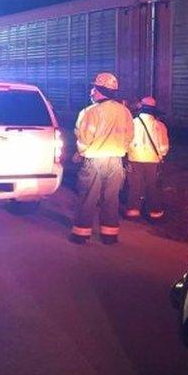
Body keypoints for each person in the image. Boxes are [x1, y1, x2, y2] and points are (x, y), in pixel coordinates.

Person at [70, 72, 134, 245]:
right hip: (116, 161)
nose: (91, 91)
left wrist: (81, 154)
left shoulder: (89, 112)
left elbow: (83, 139)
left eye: (93, 88)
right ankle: (109, 235)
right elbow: (129, 136)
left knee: (88, 197)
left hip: (94, 161)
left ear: (98, 90)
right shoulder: (124, 111)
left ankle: (81, 233)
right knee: (111, 198)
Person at [125, 96, 170, 221]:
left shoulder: (132, 123)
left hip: (135, 158)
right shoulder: (160, 125)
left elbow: (126, 141)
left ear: (141, 107)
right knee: (153, 185)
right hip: (153, 160)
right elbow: (164, 146)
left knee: (134, 184)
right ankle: (154, 211)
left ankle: (133, 210)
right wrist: (161, 155)